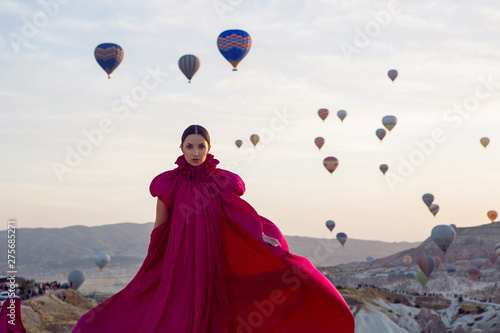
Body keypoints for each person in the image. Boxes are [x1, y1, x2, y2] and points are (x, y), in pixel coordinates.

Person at [73, 125, 355, 333]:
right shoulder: (168, 184)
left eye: (201, 147)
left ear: (209, 149)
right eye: (189, 147)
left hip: (212, 255)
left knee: (216, 305)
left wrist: (261, 237)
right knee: (174, 305)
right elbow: (160, 227)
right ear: (181, 149)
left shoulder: (222, 181)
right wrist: (154, 260)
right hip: (179, 257)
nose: (195, 152)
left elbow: (236, 215)